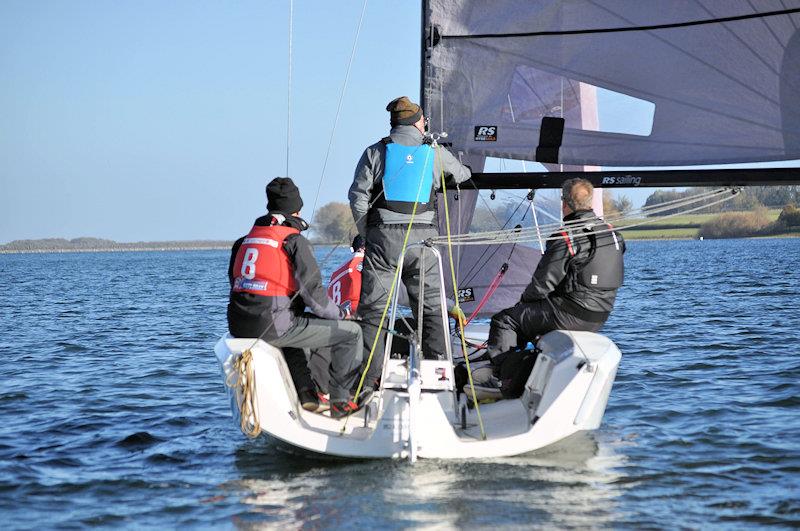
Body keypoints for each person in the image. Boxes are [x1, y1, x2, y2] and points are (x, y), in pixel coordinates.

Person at [349, 96, 472, 394]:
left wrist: (368, 234)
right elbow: (462, 175)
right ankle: (440, 378)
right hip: (424, 241)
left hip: (383, 241)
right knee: (430, 308)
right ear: (418, 122)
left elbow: (358, 197)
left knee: (374, 311)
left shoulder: (375, 151)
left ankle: (367, 383)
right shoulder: (433, 151)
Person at [471, 178, 625, 399]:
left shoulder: (566, 237)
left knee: (506, 320)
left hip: (570, 313)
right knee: (526, 319)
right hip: (601, 315)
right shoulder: (613, 234)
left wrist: (522, 306)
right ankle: (520, 368)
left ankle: (498, 377)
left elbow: (541, 285)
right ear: (590, 202)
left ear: (564, 204)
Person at [227, 177, 364, 418]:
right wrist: (343, 314)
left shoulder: (245, 240)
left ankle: (307, 395)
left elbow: (235, 282)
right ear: (297, 208)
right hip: (272, 326)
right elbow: (316, 298)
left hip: (238, 325)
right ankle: (342, 402)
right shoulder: (294, 240)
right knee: (351, 334)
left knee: (295, 327)